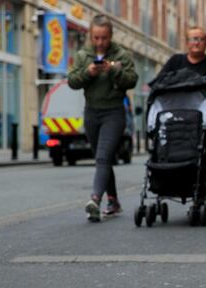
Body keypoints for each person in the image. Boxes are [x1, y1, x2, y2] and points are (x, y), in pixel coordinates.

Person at [68, 15, 138, 222]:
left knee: (103, 158)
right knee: (103, 160)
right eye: (96, 38)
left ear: (111, 36)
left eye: (104, 38)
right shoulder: (83, 55)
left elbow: (132, 80)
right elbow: (72, 81)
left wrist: (115, 71)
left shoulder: (122, 55)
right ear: (91, 36)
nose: (100, 42)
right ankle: (114, 201)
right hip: (91, 113)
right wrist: (88, 73)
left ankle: (95, 200)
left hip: (114, 112)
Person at [152, 26, 206, 189]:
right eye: (193, 39)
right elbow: (161, 79)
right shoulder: (176, 61)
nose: (197, 42)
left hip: (202, 118)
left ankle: (201, 183)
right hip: (175, 116)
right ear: (187, 42)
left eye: (201, 39)